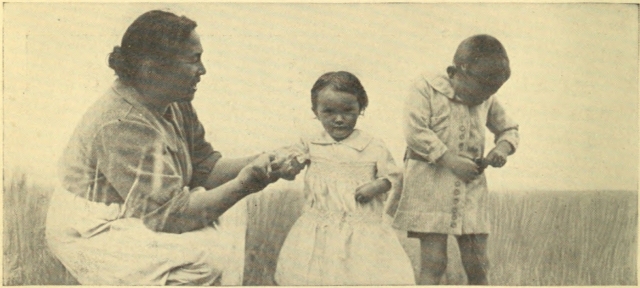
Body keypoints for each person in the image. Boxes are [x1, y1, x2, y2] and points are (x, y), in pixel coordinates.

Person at [45, 10, 297, 285]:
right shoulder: (122, 122)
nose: (202, 70)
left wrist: (264, 160)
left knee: (230, 216)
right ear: (152, 68)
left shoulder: (174, 99)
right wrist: (244, 184)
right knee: (205, 257)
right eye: (193, 60)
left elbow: (204, 167)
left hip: (145, 209)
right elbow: (170, 217)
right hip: (94, 227)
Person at [391, 34, 519, 285]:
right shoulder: (426, 87)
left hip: (470, 187)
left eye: (490, 92)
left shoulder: (486, 96)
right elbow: (415, 132)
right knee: (434, 261)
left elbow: (509, 128)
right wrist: (450, 160)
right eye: (479, 90)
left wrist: (502, 149)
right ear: (456, 72)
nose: (483, 97)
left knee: (478, 262)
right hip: (430, 184)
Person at [273, 71, 415, 285]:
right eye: (329, 111)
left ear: (360, 108)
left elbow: (394, 177)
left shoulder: (371, 145)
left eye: (348, 111)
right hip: (318, 228)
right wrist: (288, 165)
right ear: (316, 111)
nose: (339, 119)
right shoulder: (311, 143)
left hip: (362, 232)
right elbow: (291, 160)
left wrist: (377, 186)